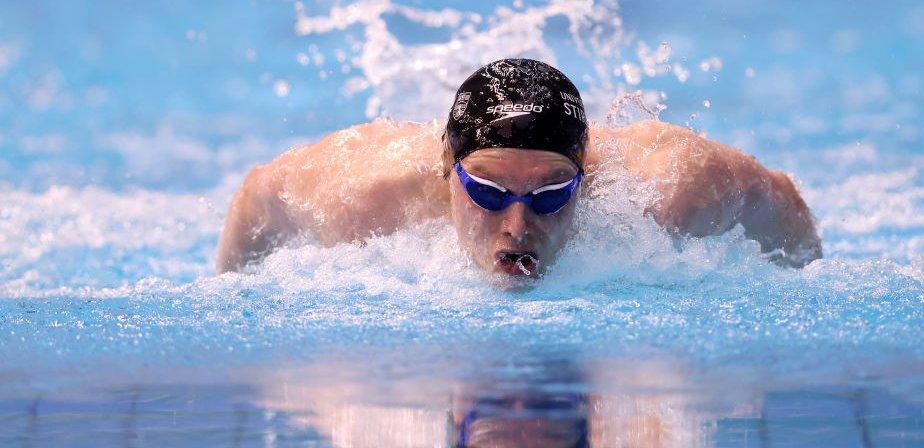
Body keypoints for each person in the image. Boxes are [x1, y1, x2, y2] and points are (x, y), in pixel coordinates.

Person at [217, 58, 822, 277]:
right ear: (446, 166)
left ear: (586, 171)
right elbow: (257, 195)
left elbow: (782, 202)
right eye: (486, 190)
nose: (516, 225)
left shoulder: (674, 192)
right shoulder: (361, 196)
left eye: (552, 193)